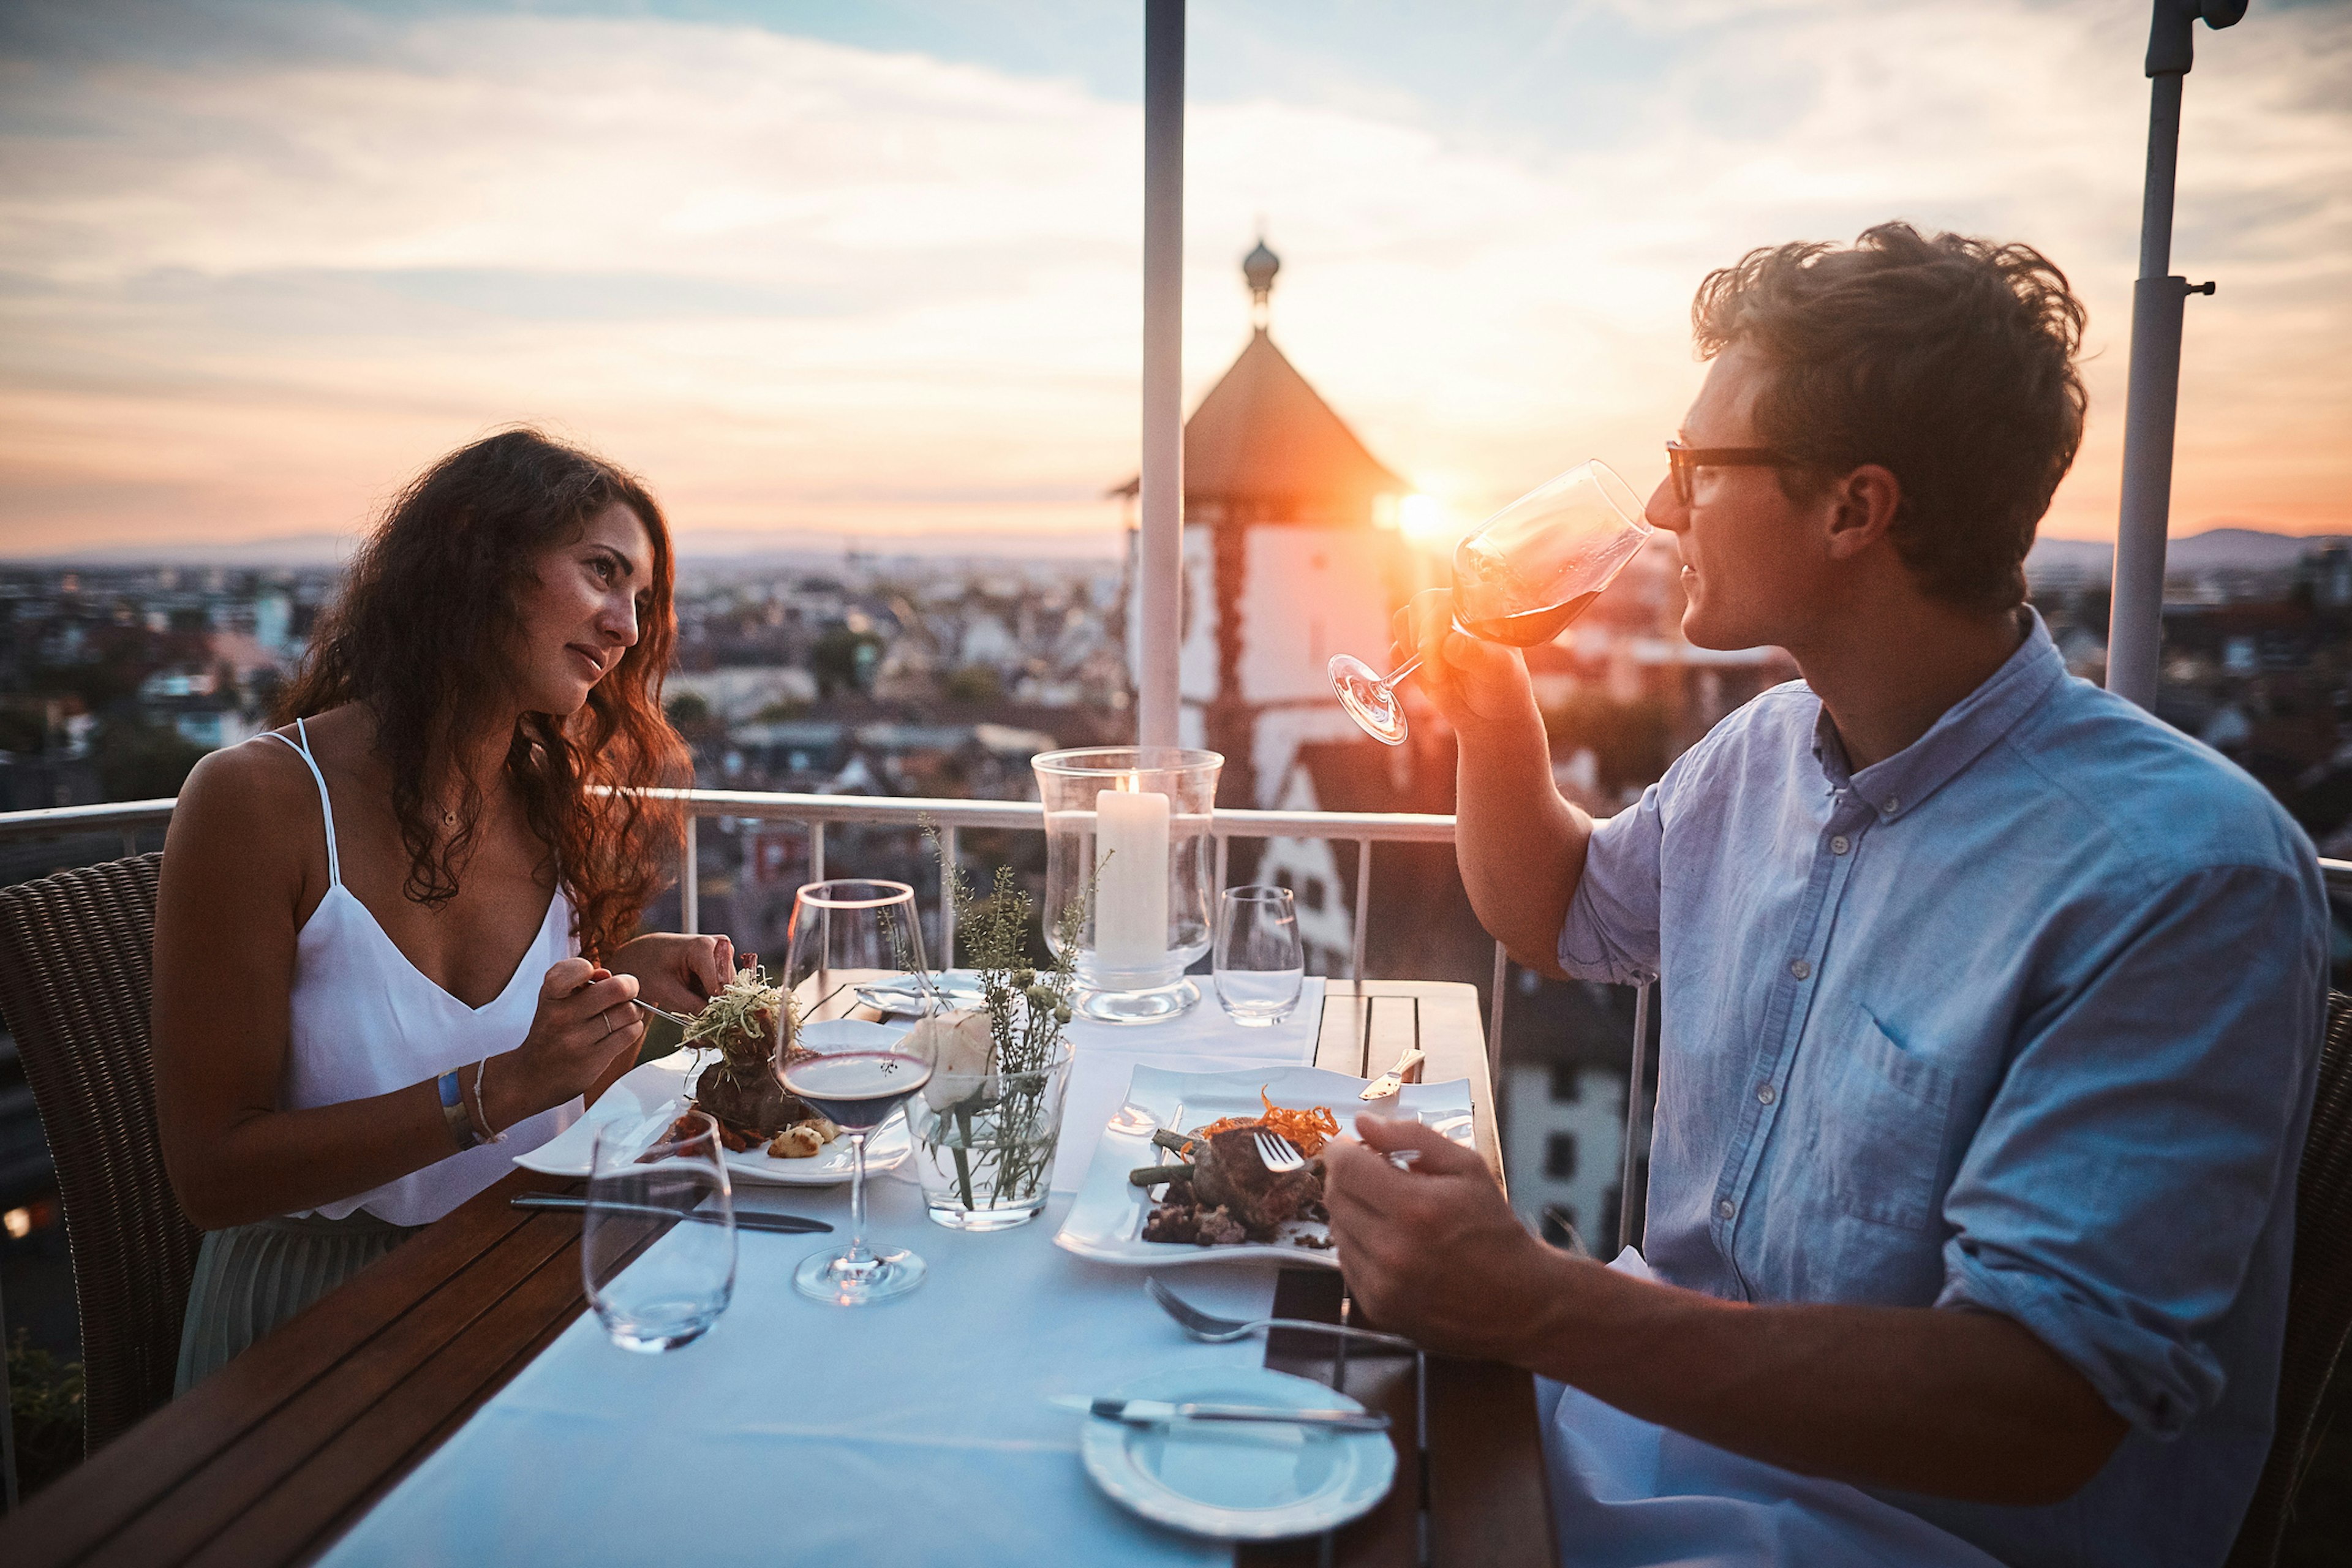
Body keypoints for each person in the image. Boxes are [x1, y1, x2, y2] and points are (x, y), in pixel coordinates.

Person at [1321, 224, 2328, 1568]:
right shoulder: (1761, 750)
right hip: (1616, 1429)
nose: (1664, 511)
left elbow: (2033, 1409)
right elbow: (1551, 909)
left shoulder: (2179, 875)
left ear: (1855, 509)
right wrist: (1492, 694)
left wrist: (1535, 1301)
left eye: (1697, 471)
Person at [154, 429, 740, 1390]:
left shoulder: (544, 805)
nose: (627, 627)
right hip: (313, 1331)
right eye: (602, 572)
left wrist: (623, 977)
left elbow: (503, 1058)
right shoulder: (258, 799)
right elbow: (213, 1174)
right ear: (478, 551)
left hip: (515, 1270)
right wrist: (498, 1092)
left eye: (642, 601)